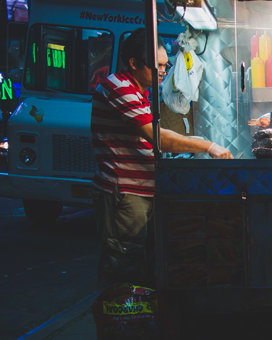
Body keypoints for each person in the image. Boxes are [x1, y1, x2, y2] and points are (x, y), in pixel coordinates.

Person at [90, 28, 231, 288]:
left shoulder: (140, 91)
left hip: (141, 191)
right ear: (134, 63)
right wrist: (207, 146)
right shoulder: (117, 87)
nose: (163, 71)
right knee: (124, 265)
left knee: (146, 264)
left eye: (165, 65)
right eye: (158, 66)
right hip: (124, 193)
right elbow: (157, 137)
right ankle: (121, 312)